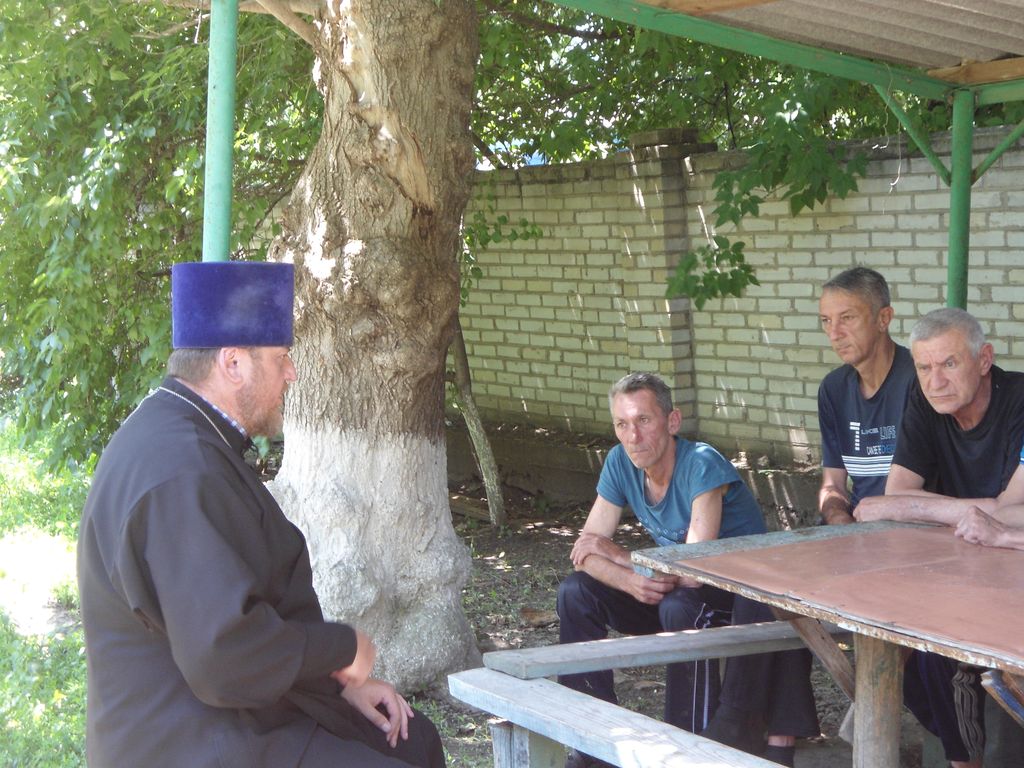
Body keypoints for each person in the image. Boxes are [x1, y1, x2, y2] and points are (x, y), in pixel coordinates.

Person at [77, 261, 444, 768]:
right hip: (189, 739)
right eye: (281, 357)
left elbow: (242, 608)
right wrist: (341, 649)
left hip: (236, 713)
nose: (291, 373)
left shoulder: (183, 432)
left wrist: (336, 686)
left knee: (413, 739)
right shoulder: (182, 472)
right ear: (233, 363)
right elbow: (225, 654)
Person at [557, 372, 818, 768]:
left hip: (738, 598)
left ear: (672, 421)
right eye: (622, 424)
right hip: (669, 586)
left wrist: (625, 559)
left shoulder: (701, 464)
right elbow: (584, 552)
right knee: (575, 592)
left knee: (680, 606)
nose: (633, 436)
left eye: (644, 420)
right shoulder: (619, 461)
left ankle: (690, 744)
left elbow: (696, 571)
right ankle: (590, 734)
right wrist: (629, 581)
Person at [855, 307, 1024, 767]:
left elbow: (1012, 513)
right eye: (925, 367)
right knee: (897, 644)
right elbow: (890, 498)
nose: (936, 381)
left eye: (949, 363)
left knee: (938, 655)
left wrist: (932, 508)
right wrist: (970, 512)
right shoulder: (925, 400)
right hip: (960, 565)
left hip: (1009, 579)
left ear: (984, 359)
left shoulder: (1019, 400)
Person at [817, 266, 915, 525]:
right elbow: (833, 484)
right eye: (826, 320)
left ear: (884, 318)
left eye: (847, 318)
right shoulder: (833, 389)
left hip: (916, 530)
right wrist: (839, 520)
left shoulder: (923, 380)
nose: (834, 334)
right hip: (858, 530)